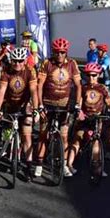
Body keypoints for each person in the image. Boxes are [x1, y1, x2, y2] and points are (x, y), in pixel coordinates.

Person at [37, 38, 82, 177]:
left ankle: (64, 165)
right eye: (57, 52)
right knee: (43, 135)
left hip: (65, 106)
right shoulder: (47, 63)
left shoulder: (72, 64)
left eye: (62, 52)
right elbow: (39, 85)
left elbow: (79, 85)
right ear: (54, 52)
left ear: (66, 52)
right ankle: (38, 164)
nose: (60, 55)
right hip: (48, 104)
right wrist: (39, 105)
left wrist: (78, 104)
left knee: (64, 137)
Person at [67, 63, 110, 177]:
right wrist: (80, 112)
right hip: (84, 118)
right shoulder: (83, 88)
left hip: (97, 119)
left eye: (94, 75)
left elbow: (109, 102)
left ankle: (97, 168)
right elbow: (79, 102)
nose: (91, 78)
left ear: (98, 75)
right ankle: (69, 165)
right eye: (89, 75)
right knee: (77, 140)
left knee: (96, 142)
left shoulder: (102, 88)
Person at [0, 47, 39, 180]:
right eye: (15, 61)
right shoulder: (6, 72)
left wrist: (36, 109)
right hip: (9, 106)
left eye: (20, 61)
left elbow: (33, 91)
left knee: (27, 136)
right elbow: (2, 91)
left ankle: (28, 166)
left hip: (24, 106)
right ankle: (10, 155)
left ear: (25, 61)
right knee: (7, 134)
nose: (17, 64)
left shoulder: (30, 71)